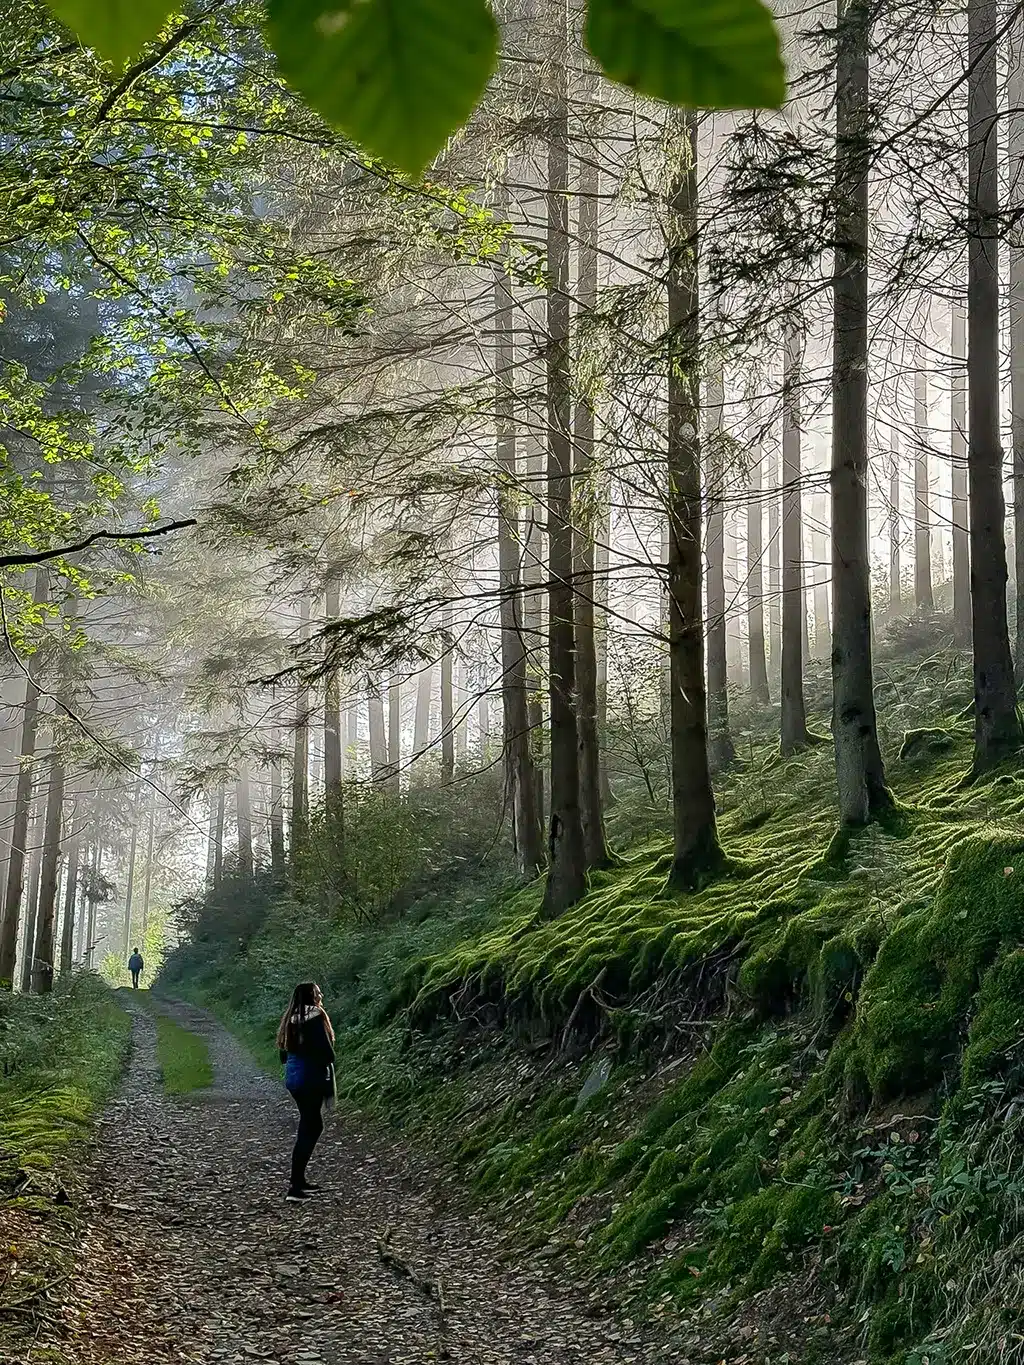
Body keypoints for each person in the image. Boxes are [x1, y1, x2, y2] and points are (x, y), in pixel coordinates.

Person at [276, 982, 335, 1203]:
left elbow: (283, 1053)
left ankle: (299, 1181)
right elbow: (327, 1053)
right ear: (312, 996)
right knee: (311, 1126)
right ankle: (295, 1186)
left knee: (309, 1125)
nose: (321, 994)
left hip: (294, 1078)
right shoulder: (316, 1016)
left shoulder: (291, 1018)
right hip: (311, 1078)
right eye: (318, 991)